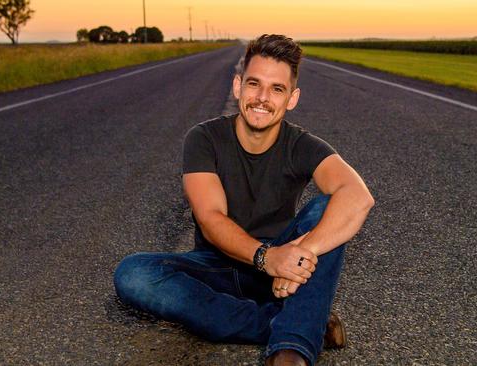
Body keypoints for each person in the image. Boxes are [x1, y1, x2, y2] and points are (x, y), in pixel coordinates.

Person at [114, 34, 375, 366]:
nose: (262, 98)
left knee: (329, 208)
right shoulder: (204, 138)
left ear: (292, 98)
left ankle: (290, 352)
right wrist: (268, 258)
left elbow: (358, 196)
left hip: (277, 270)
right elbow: (210, 219)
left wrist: (297, 254)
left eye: (276, 89)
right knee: (133, 273)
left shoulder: (302, 145)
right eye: (254, 84)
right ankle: (298, 322)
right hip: (217, 264)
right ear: (238, 86)